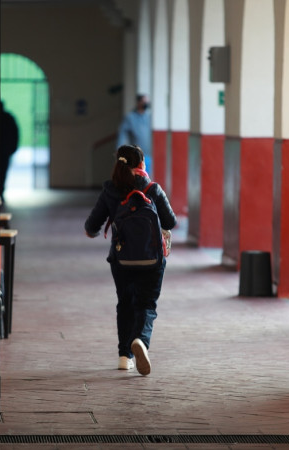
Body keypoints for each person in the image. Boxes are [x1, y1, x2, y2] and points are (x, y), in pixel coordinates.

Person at [84, 144, 176, 376]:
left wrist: (98, 229)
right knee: (147, 304)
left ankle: (124, 357)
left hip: (122, 258)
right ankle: (141, 341)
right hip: (152, 259)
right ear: (142, 165)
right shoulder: (152, 189)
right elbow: (171, 221)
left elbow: (91, 227)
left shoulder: (110, 190)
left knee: (125, 304)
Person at [117, 94, 152, 178]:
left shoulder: (149, 117)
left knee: (146, 178)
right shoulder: (130, 117)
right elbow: (123, 134)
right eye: (144, 101)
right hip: (136, 154)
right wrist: (120, 150)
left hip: (148, 154)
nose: (146, 103)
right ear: (138, 102)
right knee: (135, 177)